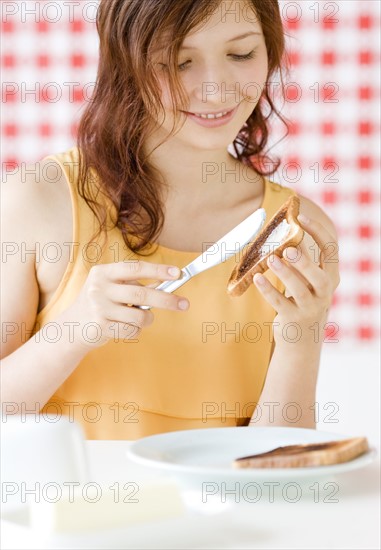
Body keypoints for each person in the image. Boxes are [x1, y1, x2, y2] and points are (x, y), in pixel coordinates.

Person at [1, 0, 340, 439]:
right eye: (179, 62)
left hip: (223, 508)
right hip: (68, 506)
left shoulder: (299, 233)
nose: (217, 89)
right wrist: (76, 329)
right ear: (126, 64)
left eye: (241, 54)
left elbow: (276, 467)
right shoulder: (39, 202)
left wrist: (303, 334)